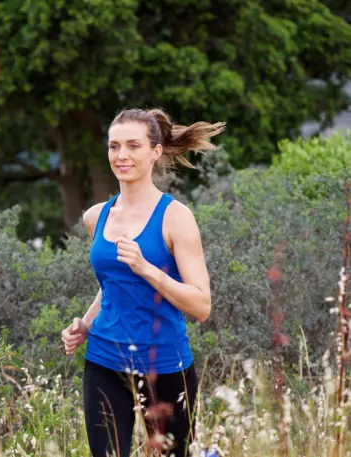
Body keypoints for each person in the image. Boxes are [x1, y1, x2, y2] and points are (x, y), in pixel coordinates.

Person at [61, 108, 225, 457]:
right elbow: (112, 284)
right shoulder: (97, 216)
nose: (122, 156)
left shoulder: (176, 218)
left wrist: (148, 268)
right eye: (114, 146)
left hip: (164, 364)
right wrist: (85, 324)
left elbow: (202, 306)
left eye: (133, 146)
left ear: (155, 151)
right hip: (105, 359)